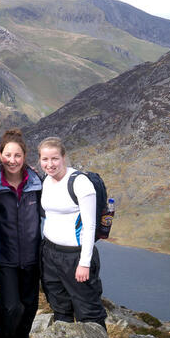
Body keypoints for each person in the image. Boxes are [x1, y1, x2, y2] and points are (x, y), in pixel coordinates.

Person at [38, 137, 107, 328]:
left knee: (88, 311)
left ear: (64, 157)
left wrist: (84, 263)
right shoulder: (46, 181)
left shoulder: (80, 183)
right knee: (60, 307)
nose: (50, 164)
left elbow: (90, 225)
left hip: (75, 256)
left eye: (54, 159)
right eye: (45, 159)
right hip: (50, 254)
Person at [0, 129, 42, 338]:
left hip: (32, 256)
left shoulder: (36, 183)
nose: (12, 160)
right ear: (0, 155)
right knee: (11, 305)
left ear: (25, 156)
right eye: (7, 155)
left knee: (30, 305)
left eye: (17, 155)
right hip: (4, 256)